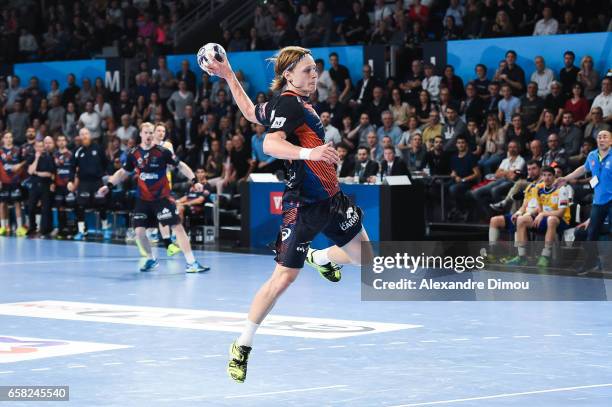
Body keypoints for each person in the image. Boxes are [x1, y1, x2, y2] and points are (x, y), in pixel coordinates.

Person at [204, 45, 371, 383]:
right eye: (308, 70)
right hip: (304, 206)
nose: (315, 74)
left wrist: (228, 75)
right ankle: (242, 345)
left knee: (365, 257)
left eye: (315, 69)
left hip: (333, 199)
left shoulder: (293, 104)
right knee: (284, 279)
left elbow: (252, 112)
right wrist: (312, 152)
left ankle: (322, 257)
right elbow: (269, 144)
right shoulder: (290, 102)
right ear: (289, 75)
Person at [98, 122, 209, 273]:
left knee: (177, 226)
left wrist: (195, 181)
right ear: (141, 134)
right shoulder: (133, 153)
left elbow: (181, 166)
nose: (149, 135)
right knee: (139, 232)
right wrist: (109, 185)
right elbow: (123, 172)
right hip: (143, 199)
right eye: (146, 133)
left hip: (162, 198)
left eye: (151, 133)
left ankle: (192, 262)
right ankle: (151, 259)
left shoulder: (162, 152)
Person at [557, 130, 611, 274]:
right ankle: (590, 263)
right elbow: (583, 168)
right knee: (591, 233)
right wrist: (566, 178)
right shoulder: (592, 155)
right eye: (599, 137)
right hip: (598, 202)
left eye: (605, 137)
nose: (602, 139)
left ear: (611, 141)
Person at [506, 166, 572, 268]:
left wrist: (542, 214)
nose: (547, 178)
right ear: (541, 176)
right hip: (543, 218)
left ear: (554, 177)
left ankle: (545, 256)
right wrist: (527, 214)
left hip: (561, 220)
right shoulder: (538, 188)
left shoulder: (562, 190)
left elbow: (560, 213)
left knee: (552, 220)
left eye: (550, 175)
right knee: (521, 220)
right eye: (544, 175)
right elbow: (538, 208)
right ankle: (522, 257)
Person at [67, 128, 111, 241]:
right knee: (80, 205)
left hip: (97, 182)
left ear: (90, 135)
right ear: (79, 137)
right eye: (82, 134)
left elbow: (107, 164)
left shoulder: (98, 148)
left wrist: (110, 178)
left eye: (86, 134)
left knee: (102, 205)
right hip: (84, 183)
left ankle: (105, 228)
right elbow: (72, 168)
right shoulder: (77, 151)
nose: (84, 136)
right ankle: (82, 231)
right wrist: (70, 181)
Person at [153, 122, 182, 257]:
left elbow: (172, 163)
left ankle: (169, 241)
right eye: (158, 130)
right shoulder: (149, 146)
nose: (161, 133)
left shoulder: (168, 146)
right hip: (152, 183)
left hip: (166, 181)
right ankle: (147, 234)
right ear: (153, 132)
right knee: (160, 212)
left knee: (164, 211)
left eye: (163, 131)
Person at [26, 137, 56, 238]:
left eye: (41, 146)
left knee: (45, 208)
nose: (40, 148)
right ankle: (32, 228)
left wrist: (37, 173)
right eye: (38, 146)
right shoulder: (31, 157)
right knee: (30, 207)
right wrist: (37, 158)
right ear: (35, 147)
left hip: (45, 185)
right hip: (34, 186)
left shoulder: (48, 158)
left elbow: (49, 173)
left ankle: (43, 230)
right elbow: (30, 171)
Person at [0, 132, 27, 236]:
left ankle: (19, 227)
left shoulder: (18, 150)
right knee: (2, 204)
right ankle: (3, 227)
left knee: (17, 203)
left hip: (15, 181)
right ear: (3, 139)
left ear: (12, 138)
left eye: (10, 137)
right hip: (4, 181)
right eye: (6, 137)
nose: (8, 139)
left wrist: (19, 165)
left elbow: (25, 162)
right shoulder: (0, 151)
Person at [53, 134, 74, 238]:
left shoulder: (70, 155)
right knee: (60, 208)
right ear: (57, 143)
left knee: (71, 207)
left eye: (63, 140)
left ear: (66, 142)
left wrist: (73, 182)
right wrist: (52, 183)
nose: (61, 142)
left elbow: (74, 169)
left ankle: (73, 230)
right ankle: (61, 230)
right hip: (58, 186)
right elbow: (52, 171)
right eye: (59, 140)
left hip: (69, 186)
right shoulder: (54, 155)